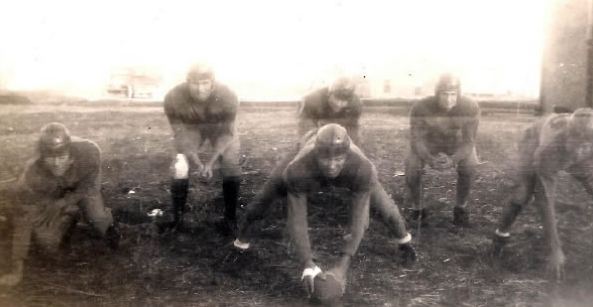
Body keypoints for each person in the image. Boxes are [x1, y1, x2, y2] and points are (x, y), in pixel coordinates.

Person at [232, 124, 416, 297]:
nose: (331, 165)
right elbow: (298, 220)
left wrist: (342, 268)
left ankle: (405, 242)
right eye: (325, 158)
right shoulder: (298, 167)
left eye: (338, 159)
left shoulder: (362, 167)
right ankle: (240, 243)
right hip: (305, 163)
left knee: (386, 208)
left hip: (350, 170)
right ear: (315, 154)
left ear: (346, 155)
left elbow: (359, 220)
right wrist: (307, 263)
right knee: (261, 201)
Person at [490, 108, 593, 280]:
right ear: (568, 137)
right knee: (523, 193)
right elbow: (545, 199)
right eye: (578, 142)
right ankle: (499, 239)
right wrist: (555, 248)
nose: (581, 150)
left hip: (577, 156)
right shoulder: (551, 148)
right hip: (536, 142)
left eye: (586, 145)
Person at [0, 123, 119, 287]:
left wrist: (63, 202)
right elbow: (23, 221)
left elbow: (90, 186)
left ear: (71, 156)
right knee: (48, 244)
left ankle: (106, 219)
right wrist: (16, 270)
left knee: (97, 220)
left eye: (61, 157)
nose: (56, 163)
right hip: (50, 187)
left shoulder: (88, 154)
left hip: (81, 183)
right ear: (42, 156)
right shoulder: (33, 174)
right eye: (50, 157)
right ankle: (71, 216)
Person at [163, 63, 241, 232]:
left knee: (230, 163)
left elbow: (228, 133)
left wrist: (210, 163)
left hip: (220, 130)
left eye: (205, 83)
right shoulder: (173, 97)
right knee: (179, 165)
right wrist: (197, 163)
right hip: (191, 128)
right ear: (187, 82)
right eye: (195, 83)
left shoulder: (228, 96)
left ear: (212, 83)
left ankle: (230, 218)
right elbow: (181, 135)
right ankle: (178, 219)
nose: (200, 89)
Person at [404, 73, 480, 227]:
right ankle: (418, 209)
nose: (449, 99)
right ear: (437, 93)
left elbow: (469, 141)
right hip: (429, 144)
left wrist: (453, 159)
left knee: (470, 164)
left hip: (455, 144)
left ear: (458, 94)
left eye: (453, 94)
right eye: (444, 94)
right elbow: (416, 139)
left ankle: (461, 208)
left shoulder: (470, 107)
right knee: (411, 164)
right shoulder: (421, 106)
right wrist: (428, 158)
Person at [298, 77, 363, 145]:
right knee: (309, 142)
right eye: (337, 98)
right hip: (317, 118)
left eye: (344, 100)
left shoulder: (355, 104)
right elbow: (305, 128)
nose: (339, 104)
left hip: (338, 121)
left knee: (353, 143)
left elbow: (352, 128)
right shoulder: (312, 100)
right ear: (329, 94)